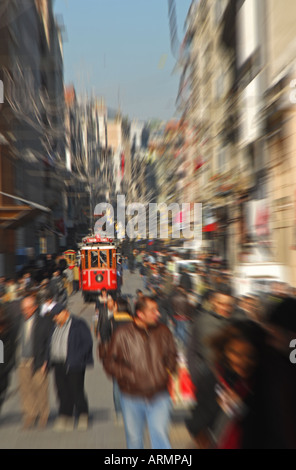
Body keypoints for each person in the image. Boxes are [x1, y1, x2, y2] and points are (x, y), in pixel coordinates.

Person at [103, 295, 177, 449]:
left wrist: (166, 371)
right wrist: (128, 375)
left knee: (160, 435)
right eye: (153, 311)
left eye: (157, 310)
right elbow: (110, 362)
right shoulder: (122, 334)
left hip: (159, 395)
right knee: (135, 439)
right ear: (140, 314)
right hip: (131, 396)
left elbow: (173, 355)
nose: (158, 314)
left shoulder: (163, 331)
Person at [186, 284, 234, 447]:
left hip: (229, 386)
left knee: (225, 430)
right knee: (207, 428)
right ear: (214, 302)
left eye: (228, 304)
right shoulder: (204, 321)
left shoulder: (236, 321)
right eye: (221, 303)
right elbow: (200, 354)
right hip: (210, 385)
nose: (225, 308)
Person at [207, 320, 266, 449]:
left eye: (250, 356)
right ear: (225, 351)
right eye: (236, 354)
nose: (243, 361)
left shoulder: (267, 381)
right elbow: (198, 422)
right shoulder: (215, 376)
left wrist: (242, 408)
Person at [49, 304, 93, 432]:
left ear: (65, 312)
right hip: (58, 363)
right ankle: (65, 415)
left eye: (57, 315)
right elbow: (51, 343)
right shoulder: (55, 327)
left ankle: (83, 414)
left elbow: (87, 343)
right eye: (54, 316)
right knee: (61, 390)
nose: (55, 318)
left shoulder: (78, 324)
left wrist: (78, 357)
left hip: (74, 363)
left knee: (76, 390)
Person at [18, 292, 53, 429]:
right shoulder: (19, 321)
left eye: (27, 308)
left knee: (40, 388)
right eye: (23, 309)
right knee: (26, 389)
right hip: (23, 361)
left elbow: (49, 343)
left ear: (34, 307)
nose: (24, 311)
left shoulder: (43, 321)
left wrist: (46, 361)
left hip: (38, 360)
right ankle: (30, 414)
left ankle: (43, 414)